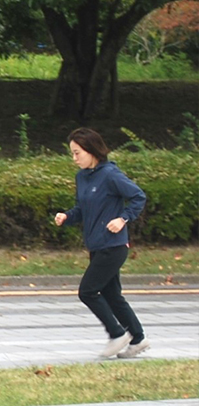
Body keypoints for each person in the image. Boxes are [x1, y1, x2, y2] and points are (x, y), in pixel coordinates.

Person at [54, 127, 151, 358]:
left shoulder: (110, 174)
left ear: (92, 150)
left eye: (77, 153)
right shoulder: (82, 177)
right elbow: (82, 209)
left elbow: (138, 196)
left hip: (114, 246)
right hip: (97, 246)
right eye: (72, 153)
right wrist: (67, 216)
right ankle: (138, 339)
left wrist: (123, 219)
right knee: (112, 295)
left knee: (87, 291)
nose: (74, 158)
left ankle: (117, 334)